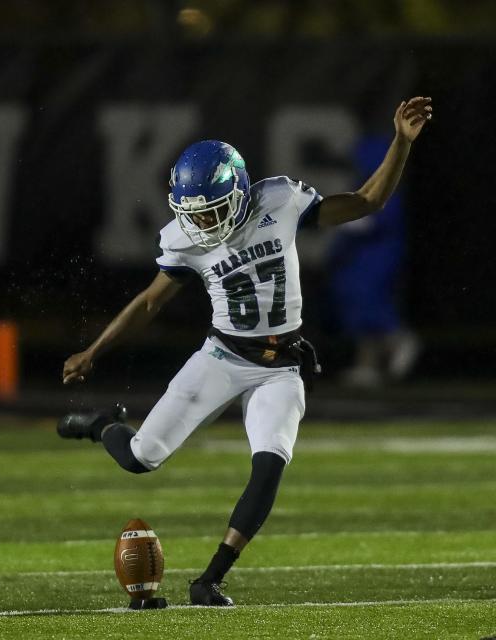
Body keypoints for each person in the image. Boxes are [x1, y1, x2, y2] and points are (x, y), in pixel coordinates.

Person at [57, 97, 432, 606]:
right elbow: (148, 302)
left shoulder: (280, 199)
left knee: (269, 463)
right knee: (141, 458)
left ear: (236, 193)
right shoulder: (186, 239)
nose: (206, 224)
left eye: (213, 210)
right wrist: (94, 351)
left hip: (282, 366)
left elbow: (368, 200)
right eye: (196, 214)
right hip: (223, 356)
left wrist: (401, 144)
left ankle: (210, 578)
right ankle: (103, 425)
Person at [328, 134, 420, 387]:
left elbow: (375, 220)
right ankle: (366, 363)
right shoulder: (361, 183)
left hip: (378, 254)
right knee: (354, 302)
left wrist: (337, 220)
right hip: (359, 257)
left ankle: (397, 337)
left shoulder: (387, 187)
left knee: (368, 298)